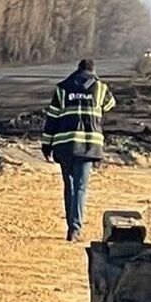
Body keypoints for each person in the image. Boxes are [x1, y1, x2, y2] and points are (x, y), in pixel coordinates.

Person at [41, 58, 115, 242]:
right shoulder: (100, 88)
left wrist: (46, 144)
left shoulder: (63, 88)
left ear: (77, 70)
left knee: (70, 186)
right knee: (81, 187)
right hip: (88, 146)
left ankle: (71, 228)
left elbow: (52, 118)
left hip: (65, 145)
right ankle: (76, 228)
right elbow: (110, 104)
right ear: (92, 71)